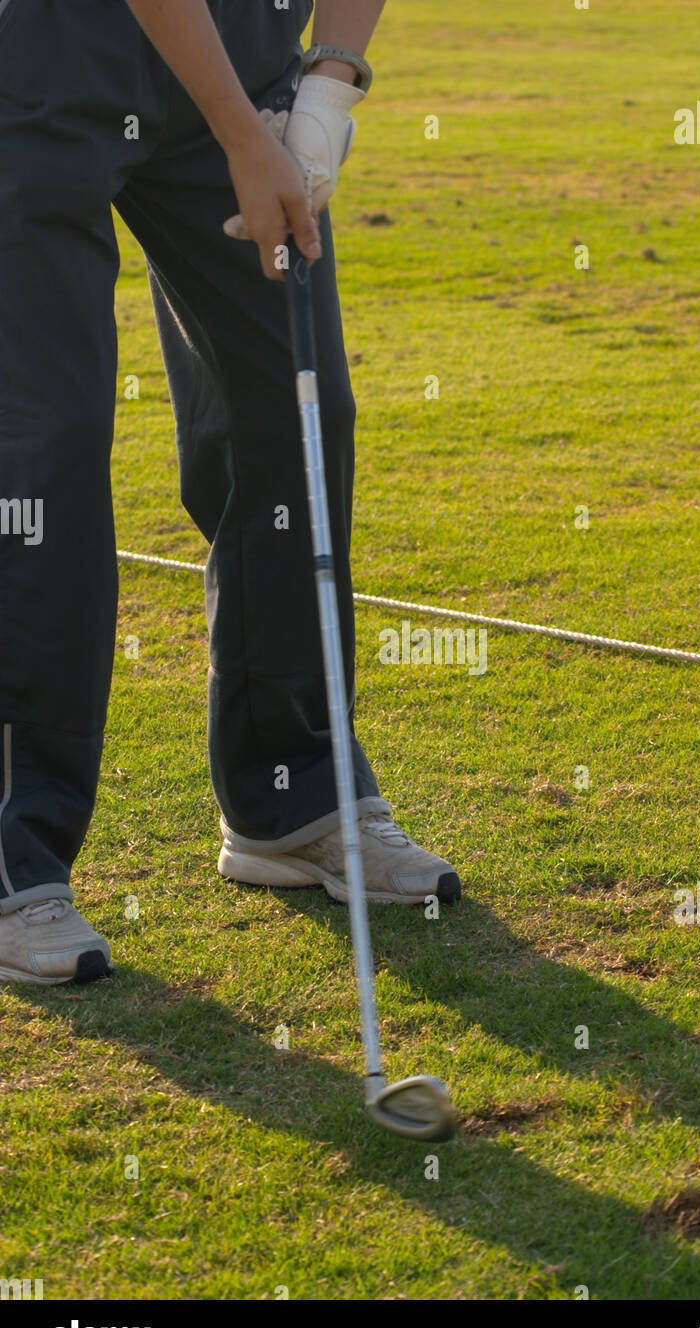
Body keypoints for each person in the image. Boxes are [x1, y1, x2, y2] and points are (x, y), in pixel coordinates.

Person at [0, 0, 460, 987]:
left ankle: (291, 796)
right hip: (42, 62)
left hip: (246, 65)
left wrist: (329, 83)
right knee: (47, 444)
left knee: (294, 415)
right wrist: (244, 134)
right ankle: (14, 852)